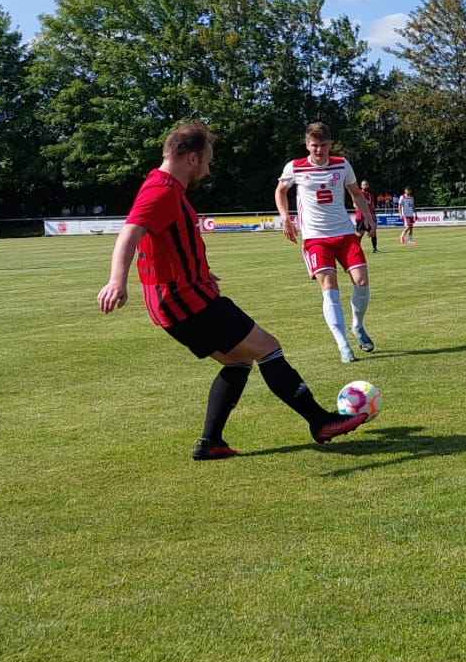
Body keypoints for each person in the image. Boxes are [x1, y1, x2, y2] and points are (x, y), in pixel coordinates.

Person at [98, 121, 364, 459]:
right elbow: (130, 232)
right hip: (183, 298)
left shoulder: (165, 186)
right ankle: (320, 422)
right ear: (191, 158)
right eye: (207, 161)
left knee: (238, 361)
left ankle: (210, 442)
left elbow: (167, 242)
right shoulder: (161, 190)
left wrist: (201, 270)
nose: (208, 170)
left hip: (180, 296)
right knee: (268, 348)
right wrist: (117, 280)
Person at [274, 121, 374, 363]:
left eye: (323, 145)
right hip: (315, 238)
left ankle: (357, 326)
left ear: (330, 144)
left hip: (344, 233)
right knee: (329, 288)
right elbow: (280, 191)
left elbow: (355, 193)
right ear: (307, 144)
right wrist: (285, 217)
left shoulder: (342, 164)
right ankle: (343, 346)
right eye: (314, 145)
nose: (318, 150)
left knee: (362, 282)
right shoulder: (295, 167)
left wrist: (369, 217)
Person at [356, 179, 380, 254]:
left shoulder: (370, 195)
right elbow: (355, 204)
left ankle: (374, 249)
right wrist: (363, 212)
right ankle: (356, 249)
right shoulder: (358, 194)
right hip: (361, 217)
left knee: (373, 232)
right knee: (360, 233)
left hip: (369, 217)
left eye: (367, 184)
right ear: (361, 186)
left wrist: (373, 215)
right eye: (364, 185)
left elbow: (372, 206)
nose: (366, 186)